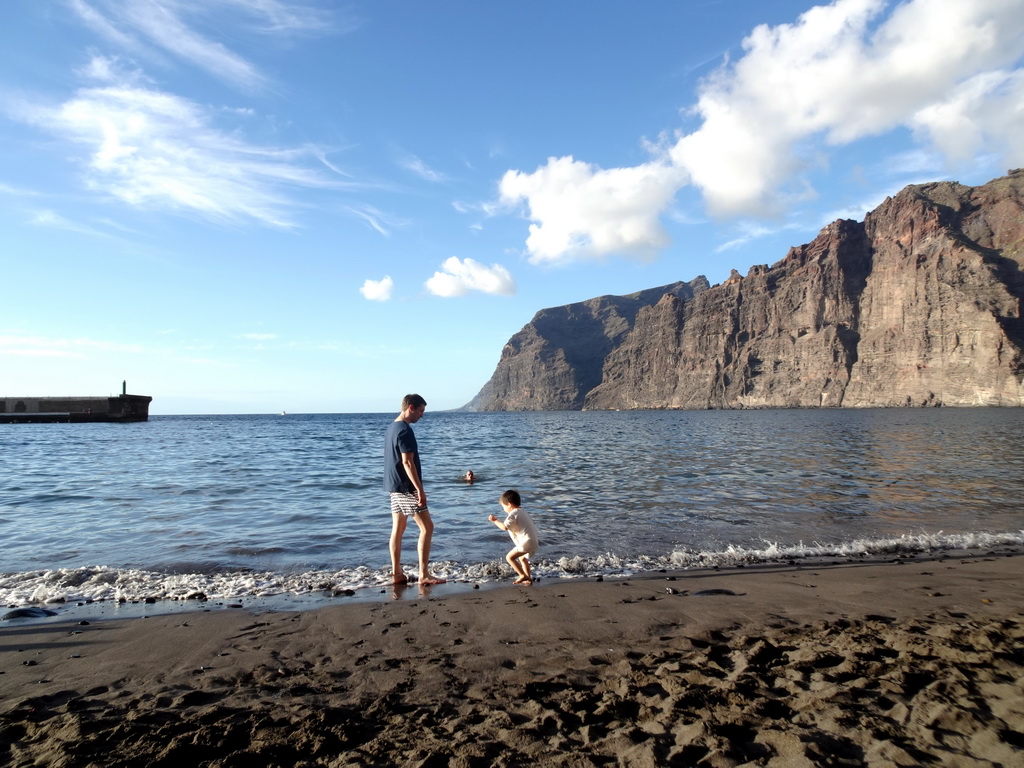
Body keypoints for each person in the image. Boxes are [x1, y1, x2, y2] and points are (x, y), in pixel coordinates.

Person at [384, 394, 445, 586]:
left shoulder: (392, 427)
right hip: (406, 487)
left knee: (398, 529)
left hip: (393, 486)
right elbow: (407, 463)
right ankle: (424, 574)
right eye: (421, 411)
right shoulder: (405, 430)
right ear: (411, 407)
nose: (422, 415)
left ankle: (396, 573)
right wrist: (420, 490)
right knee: (427, 527)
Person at [487, 489, 539, 585]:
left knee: (509, 558)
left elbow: (504, 527)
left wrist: (495, 521)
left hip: (526, 543)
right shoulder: (522, 511)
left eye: (503, 506)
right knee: (522, 558)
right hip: (534, 541)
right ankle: (528, 578)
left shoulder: (513, 514)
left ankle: (522, 575)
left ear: (509, 504)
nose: (503, 509)